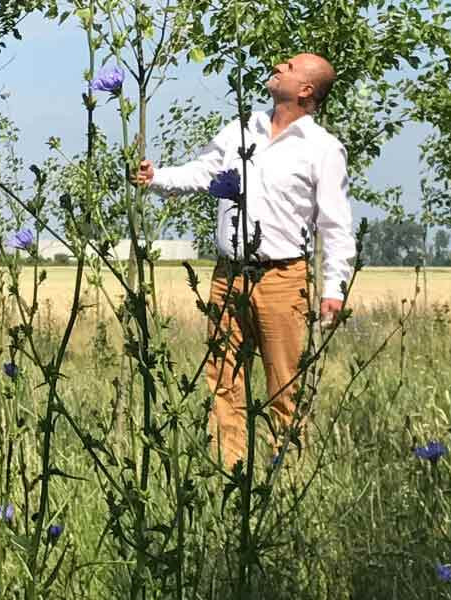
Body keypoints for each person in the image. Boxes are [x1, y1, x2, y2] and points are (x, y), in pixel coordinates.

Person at [133, 52, 356, 468]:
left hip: (283, 278)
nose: (278, 66)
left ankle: (284, 473)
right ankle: (229, 469)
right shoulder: (241, 128)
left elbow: (335, 225)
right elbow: (204, 173)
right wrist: (157, 177)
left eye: (289, 67)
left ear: (306, 90)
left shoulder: (323, 149)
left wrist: (334, 289)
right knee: (222, 378)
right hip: (228, 276)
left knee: (284, 383)